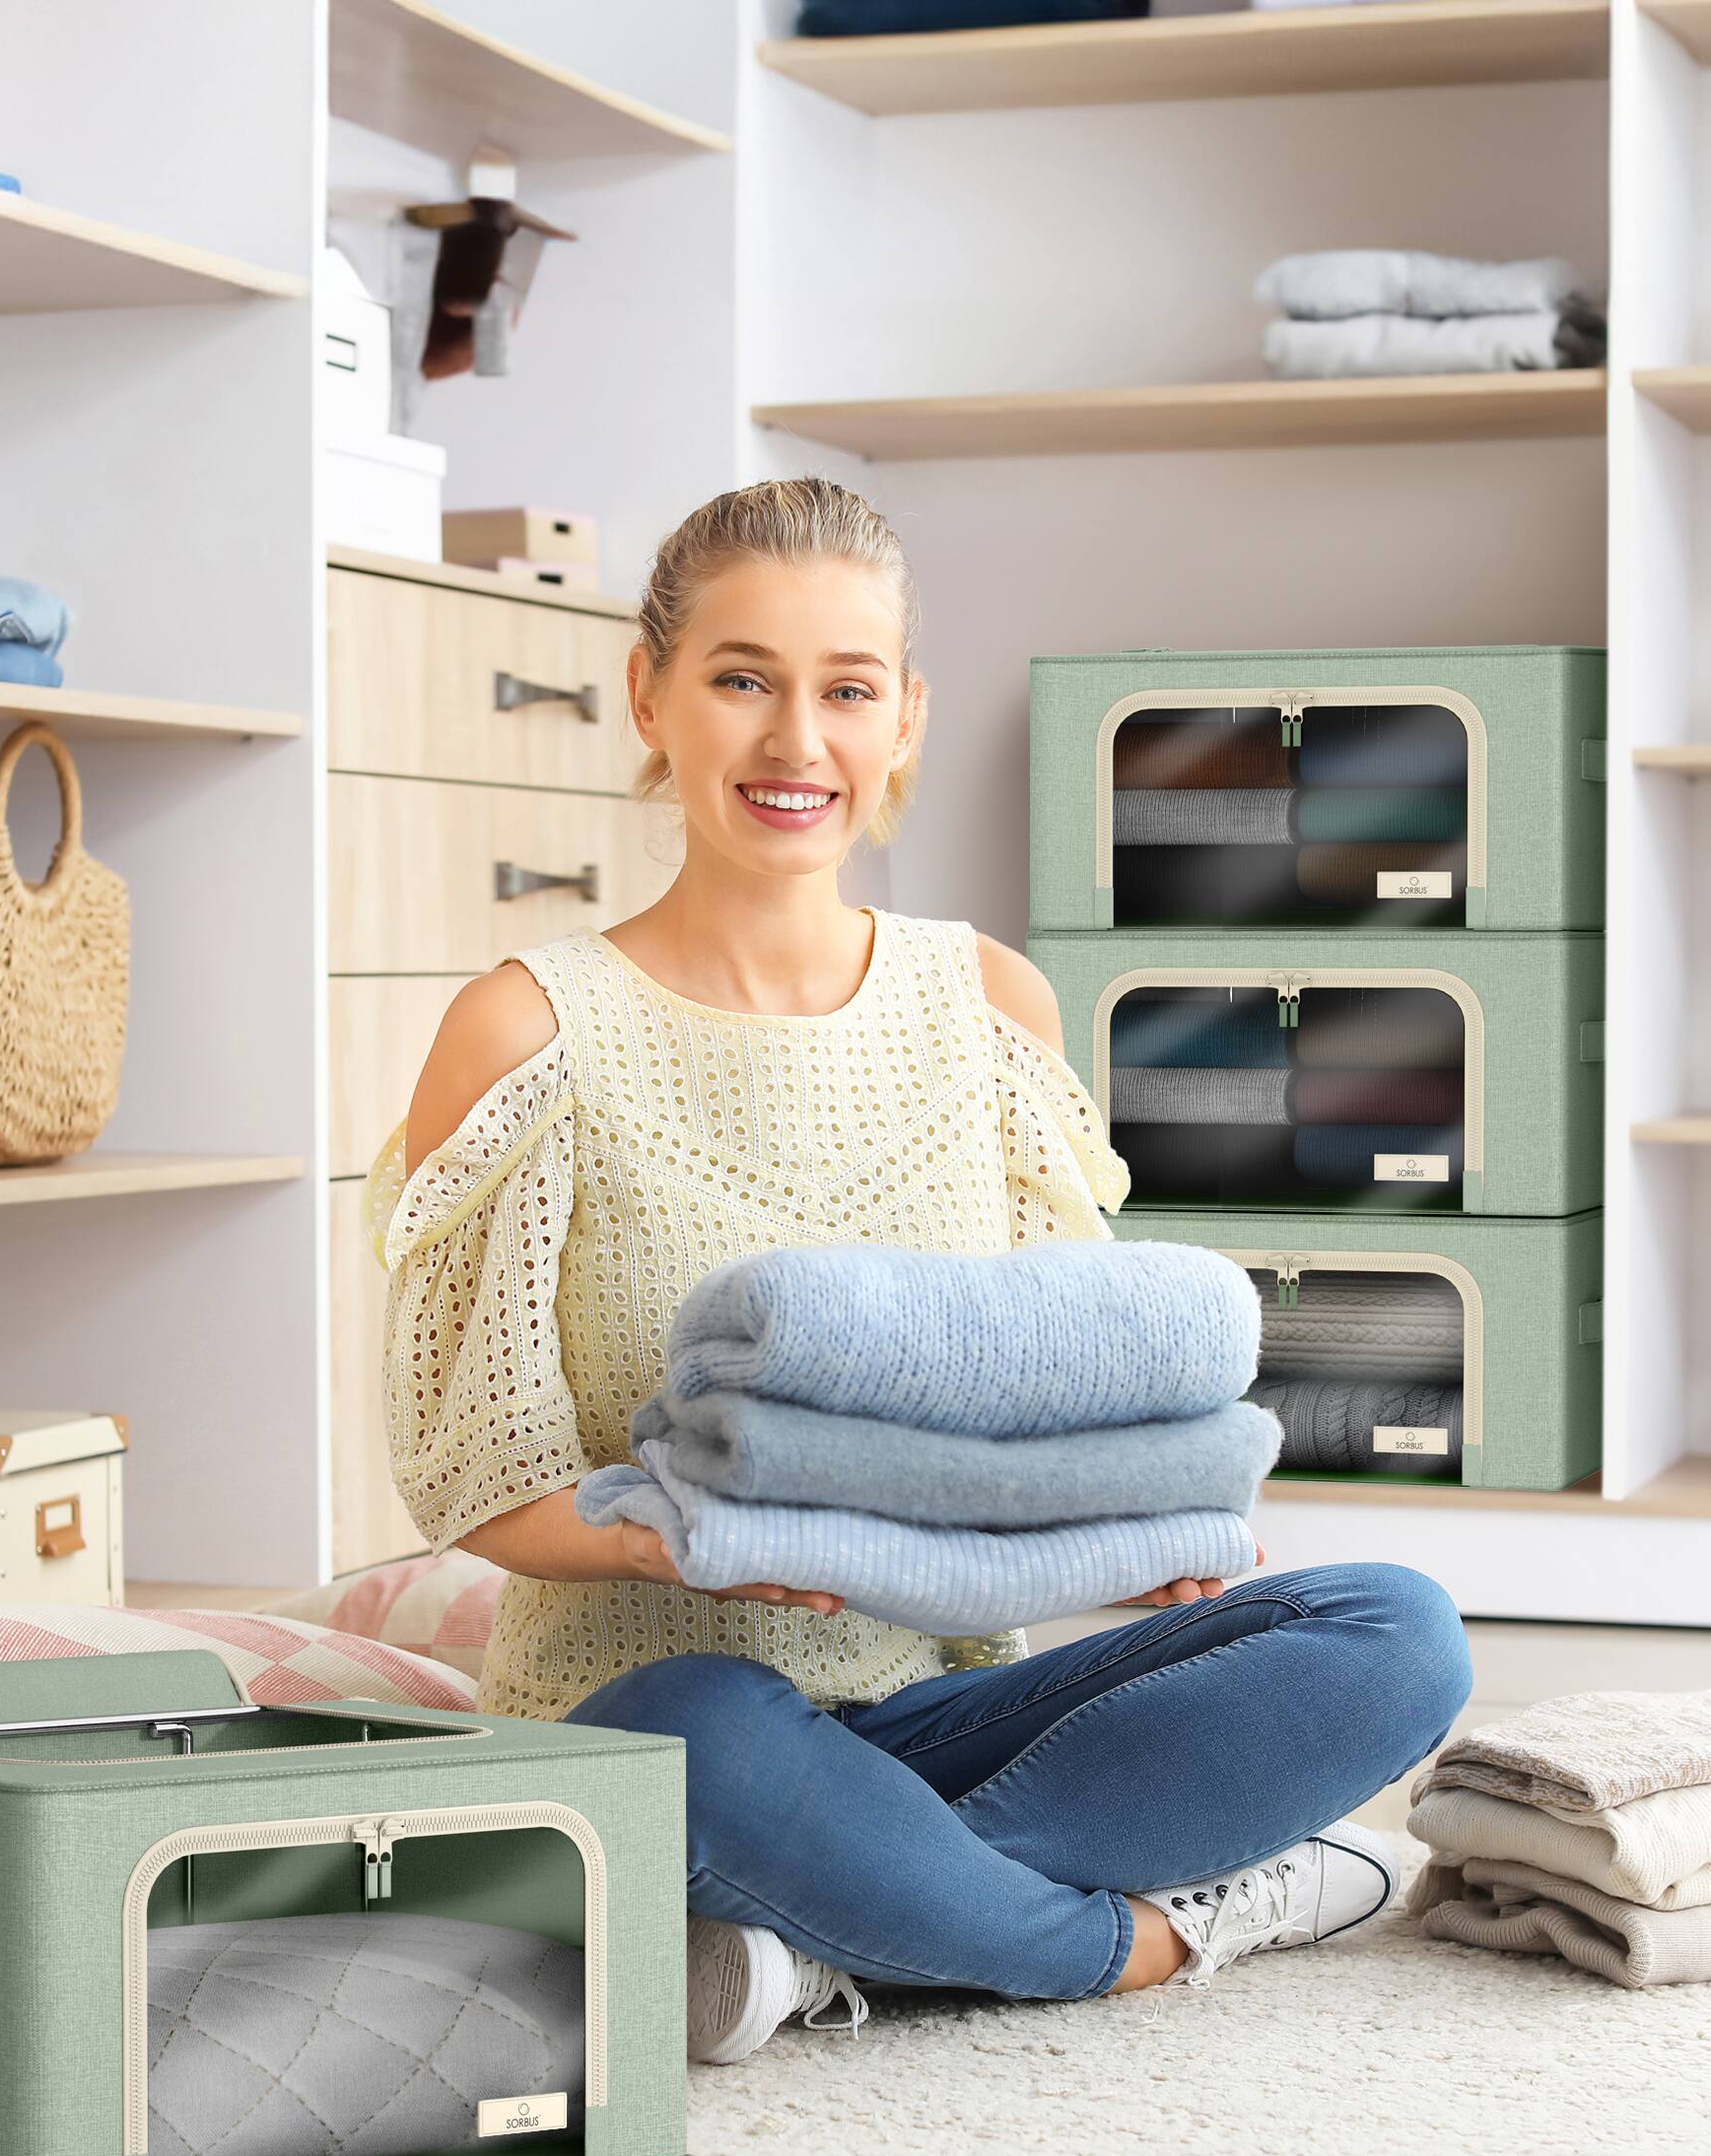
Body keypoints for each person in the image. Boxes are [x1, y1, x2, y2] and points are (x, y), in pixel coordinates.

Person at [367, 478, 1472, 2064]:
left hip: (939, 1719)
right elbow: (467, 1476)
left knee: (1398, 1632)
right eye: (742, 678)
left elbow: (1081, 1398)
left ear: (906, 722)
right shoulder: (529, 1033)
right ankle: (1136, 1937)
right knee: (711, 1730)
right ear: (649, 698)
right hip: (660, 1721)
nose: (794, 740)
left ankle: (827, 1941)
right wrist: (687, 1553)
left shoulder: (989, 1011)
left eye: (847, 689)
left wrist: (1119, 1530)